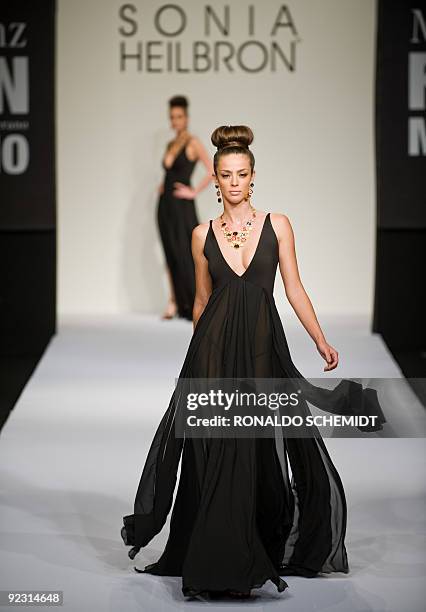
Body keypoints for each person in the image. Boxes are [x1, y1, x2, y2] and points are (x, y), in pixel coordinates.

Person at [122, 125, 386, 600]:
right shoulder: (200, 233)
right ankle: (222, 562)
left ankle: (257, 546)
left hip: (265, 354)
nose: (233, 182)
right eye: (225, 175)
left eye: (241, 174)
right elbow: (202, 302)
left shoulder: (278, 225)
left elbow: (295, 288)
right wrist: (194, 361)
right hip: (213, 355)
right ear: (216, 179)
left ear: (253, 176)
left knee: (264, 449)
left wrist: (320, 339)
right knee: (219, 453)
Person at [157, 95, 214, 320]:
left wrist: (194, 191)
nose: (175, 120)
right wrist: (164, 186)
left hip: (182, 205)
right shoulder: (171, 144)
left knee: (189, 252)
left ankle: (196, 301)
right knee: (169, 250)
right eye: (172, 116)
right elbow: (170, 171)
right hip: (165, 205)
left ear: (187, 118)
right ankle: (174, 301)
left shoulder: (193, 142)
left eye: (179, 116)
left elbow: (211, 169)